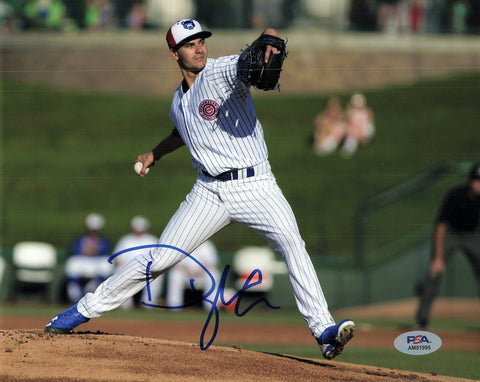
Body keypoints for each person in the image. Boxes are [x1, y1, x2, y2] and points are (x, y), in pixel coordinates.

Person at [44, 19, 356, 360]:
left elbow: (247, 63)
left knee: (292, 244)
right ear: (174, 53)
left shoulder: (221, 71)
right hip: (208, 192)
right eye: (190, 43)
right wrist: (154, 153)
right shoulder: (177, 102)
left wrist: (268, 38)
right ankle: (79, 312)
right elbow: (182, 131)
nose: (199, 47)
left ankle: (324, 331)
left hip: (256, 184)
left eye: (202, 40)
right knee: (160, 259)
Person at [415, 162, 480, 329]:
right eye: (476, 180)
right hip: (451, 234)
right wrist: (437, 257)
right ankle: (421, 319)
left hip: (473, 234)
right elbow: (441, 225)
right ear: (470, 180)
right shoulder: (456, 195)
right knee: (435, 273)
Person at [113, 216, 163, 308]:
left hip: (148, 269)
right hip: (128, 269)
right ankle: (125, 304)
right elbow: (117, 258)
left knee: (158, 272)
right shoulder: (126, 240)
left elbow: (159, 257)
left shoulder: (152, 240)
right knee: (119, 269)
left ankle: (149, 303)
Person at [64, 213, 114, 303]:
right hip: (83, 260)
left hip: (96, 262)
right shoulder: (80, 239)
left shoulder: (103, 240)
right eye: (92, 229)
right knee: (72, 262)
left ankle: (92, 286)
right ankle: (74, 292)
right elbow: (73, 250)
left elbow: (106, 251)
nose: (93, 232)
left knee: (106, 263)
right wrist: (83, 251)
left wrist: (95, 251)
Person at [166, 240, 219, 310]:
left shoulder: (207, 245)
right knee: (175, 274)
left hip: (202, 275)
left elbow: (213, 264)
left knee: (214, 274)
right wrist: (187, 270)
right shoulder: (181, 245)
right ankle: (174, 305)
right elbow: (175, 264)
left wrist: (200, 271)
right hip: (185, 275)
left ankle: (210, 306)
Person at [341, 93, 375, 158]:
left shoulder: (367, 111)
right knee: (351, 136)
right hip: (354, 131)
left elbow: (368, 124)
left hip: (363, 131)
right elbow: (349, 121)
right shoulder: (351, 112)